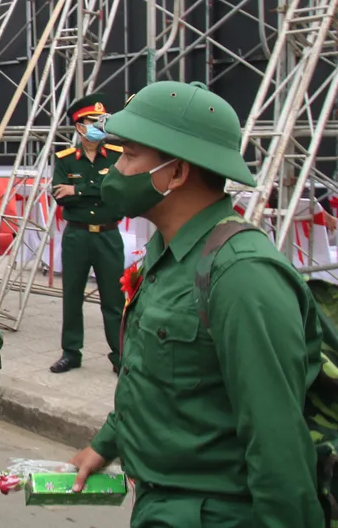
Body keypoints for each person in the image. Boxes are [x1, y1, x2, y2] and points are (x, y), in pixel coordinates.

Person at [69, 81, 323, 527]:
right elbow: (157, 377)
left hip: (215, 514)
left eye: (130, 155)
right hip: (161, 505)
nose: (115, 169)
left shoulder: (242, 275)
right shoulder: (166, 255)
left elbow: (277, 446)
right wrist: (106, 443)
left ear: (177, 173)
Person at [50, 93, 125, 375]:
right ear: (79, 126)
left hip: (108, 236)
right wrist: (96, 191)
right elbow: (60, 196)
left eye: (101, 122)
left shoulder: (117, 156)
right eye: (93, 122)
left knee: (114, 300)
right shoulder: (66, 159)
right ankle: (71, 353)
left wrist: (78, 190)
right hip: (77, 237)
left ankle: (120, 354)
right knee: (72, 297)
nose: (98, 127)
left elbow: (117, 191)